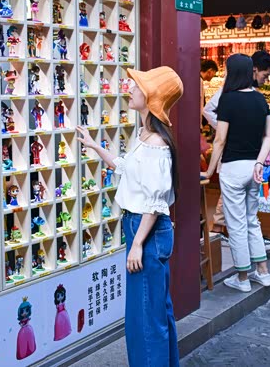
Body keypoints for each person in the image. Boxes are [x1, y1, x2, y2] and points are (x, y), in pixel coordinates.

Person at [77, 66, 183, 365]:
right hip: (143, 228)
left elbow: (155, 201)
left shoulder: (155, 143)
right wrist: (95, 146)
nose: (131, 89)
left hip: (145, 230)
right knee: (155, 311)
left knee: (145, 319)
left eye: (137, 86)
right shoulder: (145, 135)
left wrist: (137, 243)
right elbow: (125, 168)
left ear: (151, 97)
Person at [202, 54, 270, 292]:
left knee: (236, 224)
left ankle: (242, 278)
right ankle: (263, 272)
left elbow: (220, 140)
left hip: (233, 169)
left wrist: (209, 171)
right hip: (254, 168)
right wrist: (260, 162)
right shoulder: (260, 99)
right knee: (252, 219)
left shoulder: (228, 99)